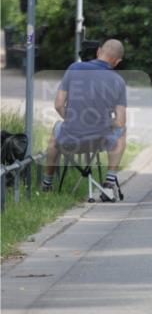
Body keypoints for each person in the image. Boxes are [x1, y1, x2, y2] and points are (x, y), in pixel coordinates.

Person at [41, 39, 127, 202]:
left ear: (98, 51)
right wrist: (107, 122)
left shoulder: (74, 68)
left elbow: (58, 104)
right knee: (123, 131)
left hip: (70, 139)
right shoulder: (119, 81)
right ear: (117, 61)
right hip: (98, 141)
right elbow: (120, 121)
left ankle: (47, 184)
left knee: (55, 133)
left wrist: (75, 120)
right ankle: (109, 183)